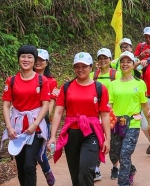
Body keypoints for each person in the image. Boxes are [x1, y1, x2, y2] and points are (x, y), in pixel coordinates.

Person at [49, 52, 110, 186]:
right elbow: (58, 112)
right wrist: (53, 136)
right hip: (72, 133)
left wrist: (107, 139)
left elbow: (105, 114)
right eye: (77, 66)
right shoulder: (66, 87)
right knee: (75, 174)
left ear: (91, 67)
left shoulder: (99, 88)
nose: (80, 69)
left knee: (86, 171)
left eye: (84, 66)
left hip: (91, 132)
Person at [2, 45, 51, 186]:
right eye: (23, 56)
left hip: (35, 129)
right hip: (17, 129)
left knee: (29, 165)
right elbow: (6, 105)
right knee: (21, 166)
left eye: (29, 57)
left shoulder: (42, 81)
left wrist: (35, 124)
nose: (26, 59)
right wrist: (9, 127)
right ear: (18, 59)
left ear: (34, 60)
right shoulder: (11, 80)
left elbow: (45, 105)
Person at [108, 51, 149, 185]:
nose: (125, 64)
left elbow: (144, 105)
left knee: (125, 154)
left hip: (133, 124)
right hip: (116, 124)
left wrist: (149, 122)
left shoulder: (140, 83)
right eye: (123, 62)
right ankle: (131, 170)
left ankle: (123, 183)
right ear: (119, 64)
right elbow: (109, 105)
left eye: (128, 62)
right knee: (117, 154)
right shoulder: (113, 84)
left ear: (133, 65)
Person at [90, 48, 120, 180]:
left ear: (110, 59)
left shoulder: (116, 74)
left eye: (105, 58)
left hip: (112, 113)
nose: (103, 60)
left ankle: (115, 166)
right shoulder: (93, 75)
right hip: (95, 113)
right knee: (96, 140)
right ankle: (96, 168)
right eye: (100, 58)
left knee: (112, 142)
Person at [34, 49, 57, 185]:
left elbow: (51, 102)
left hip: (42, 120)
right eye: (36, 59)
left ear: (47, 63)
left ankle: (47, 172)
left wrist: (42, 118)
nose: (38, 62)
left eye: (41, 60)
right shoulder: (24, 77)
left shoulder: (51, 81)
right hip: (25, 120)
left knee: (40, 151)